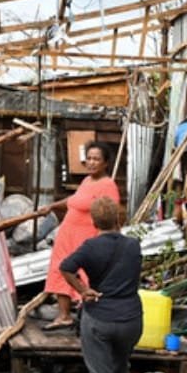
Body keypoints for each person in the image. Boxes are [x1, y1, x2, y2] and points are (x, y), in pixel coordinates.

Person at [59, 197, 144, 373]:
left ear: (94, 223)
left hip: (99, 319)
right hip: (130, 320)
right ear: (118, 218)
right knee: (119, 370)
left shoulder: (90, 247)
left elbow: (66, 267)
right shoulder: (133, 246)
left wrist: (83, 290)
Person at [43, 141, 120, 330]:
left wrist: (110, 241)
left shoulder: (107, 185)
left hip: (87, 237)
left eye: (96, 159)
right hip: (67, 234)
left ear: (105, 163)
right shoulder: (87, 181)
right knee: (60, 270)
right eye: (89, 158)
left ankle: (89, 319)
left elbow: (111, 213)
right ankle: (64, 316)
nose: (92, 162)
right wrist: (52, 206)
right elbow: (75, 200)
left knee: (85, 276)